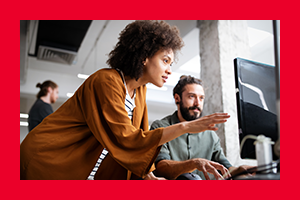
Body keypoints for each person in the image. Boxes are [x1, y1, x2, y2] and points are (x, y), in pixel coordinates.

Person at [20, 20, 230, 180]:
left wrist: (150, 176)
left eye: (171, 63)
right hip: (48, 159)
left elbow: (137, 145)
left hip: (85, 170)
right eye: (165, 60)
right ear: (144, 56)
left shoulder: (139, 91)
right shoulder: (106, 81)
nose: (169, 69)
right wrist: (186, 127)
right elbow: (127, 139)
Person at [151, 75, 252, 180]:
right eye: (191, 96)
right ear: (177, 98)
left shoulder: (210, 134)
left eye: (201, 98)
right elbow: (160, 168)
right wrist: (194, 163)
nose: (197, 103)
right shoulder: (160, 128)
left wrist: (241, 170)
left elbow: (226, 169)